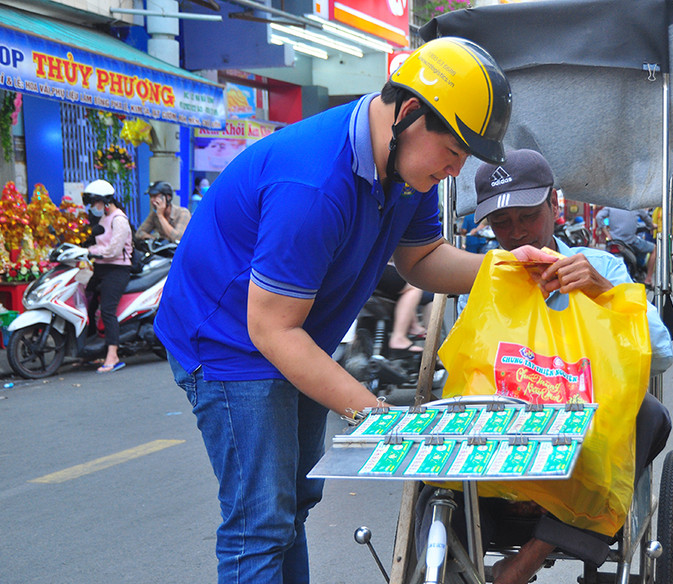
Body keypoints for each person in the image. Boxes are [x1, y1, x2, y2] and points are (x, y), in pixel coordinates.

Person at [153, 38, 514, 583]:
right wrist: (378, 418)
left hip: (295, 336)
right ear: (411, 114)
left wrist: (510, 271)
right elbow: (271, 329)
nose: (456, 170)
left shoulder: (404, 167)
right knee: (260, 525)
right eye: (454, 151)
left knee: (292, 506)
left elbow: (420, 260)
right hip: (230, 343)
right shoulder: (314, 183)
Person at [422, 149, 673, 584]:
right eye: (501, 223)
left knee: (648, 415)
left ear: (554, 206)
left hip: (582, 435)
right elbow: (467, 366)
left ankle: (530, 557)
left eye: (528, 216)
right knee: (434, 461)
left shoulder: (604, 265)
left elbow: (662, 354)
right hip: (506, 424)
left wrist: (604, 293)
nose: (516, 233)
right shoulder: (484, 276)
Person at [82, 179, 133, 373]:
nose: (93, 207)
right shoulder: (104, 217)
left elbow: (113, 249)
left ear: (105, 200)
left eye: (95, 202)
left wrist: (92, 252)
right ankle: (93, 351)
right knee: (88, 304)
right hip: (101, 268)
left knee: (107, 310)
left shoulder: (119, 219)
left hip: (117, 269)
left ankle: (113, 355)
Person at [376, 261, 427, 355]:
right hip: (370, 269)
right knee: (413, 286)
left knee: (401, 286)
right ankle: (399, 337)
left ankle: (413, 326)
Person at [595, 206, 657, 283]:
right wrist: (653, 226)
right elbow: (647, 219)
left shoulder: (611, 205)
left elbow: (598, 217)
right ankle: (648, 279)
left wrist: (607, 234)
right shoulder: (635, 206)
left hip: (614, 241)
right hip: (631, 241)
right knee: (654, 248)